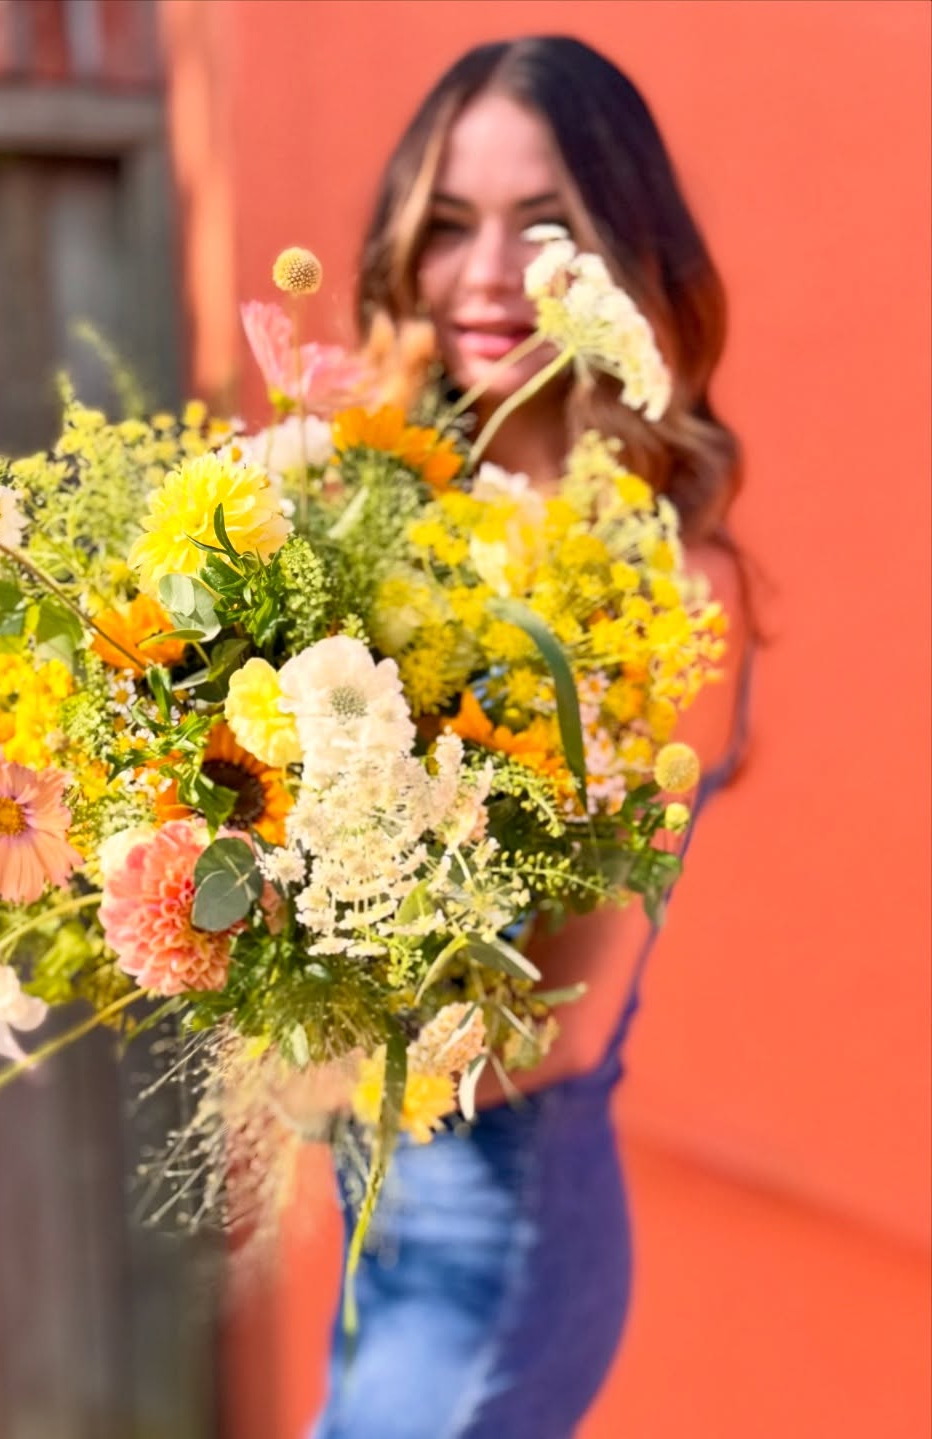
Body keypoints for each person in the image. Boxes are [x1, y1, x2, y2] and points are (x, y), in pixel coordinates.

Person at [312, 36, 754, 1439]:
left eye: (545, 226)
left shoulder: (667, 582)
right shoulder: (383, 516)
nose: (488, 277)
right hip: (374, 1197)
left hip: (494, 1228)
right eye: (447, 227)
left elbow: (551, 1022)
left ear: (627, 252)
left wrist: (267, 989)